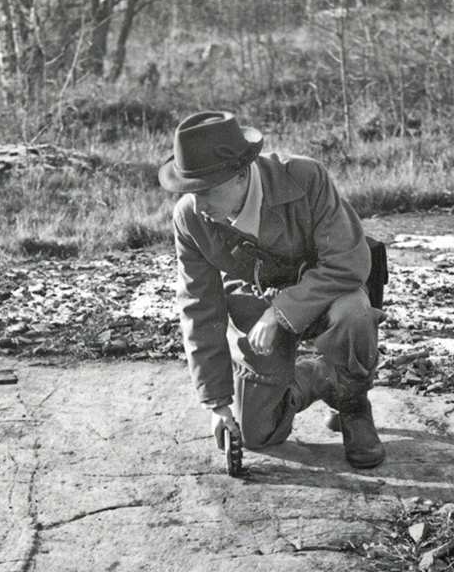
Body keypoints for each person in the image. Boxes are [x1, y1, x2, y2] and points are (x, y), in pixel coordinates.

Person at [159, 111, 385, 469]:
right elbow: (200, 307)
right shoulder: (189, 218)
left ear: (241, 174)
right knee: (257, 434)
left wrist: (281, 311)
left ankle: (353, 404)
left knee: (353, 314)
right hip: (253, 298)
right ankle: (323, 379)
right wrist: (217, 402)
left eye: (206, 191)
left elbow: (348, 262)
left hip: (328, 291)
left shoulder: (304, 177)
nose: (198, 206)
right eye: (189, 191)